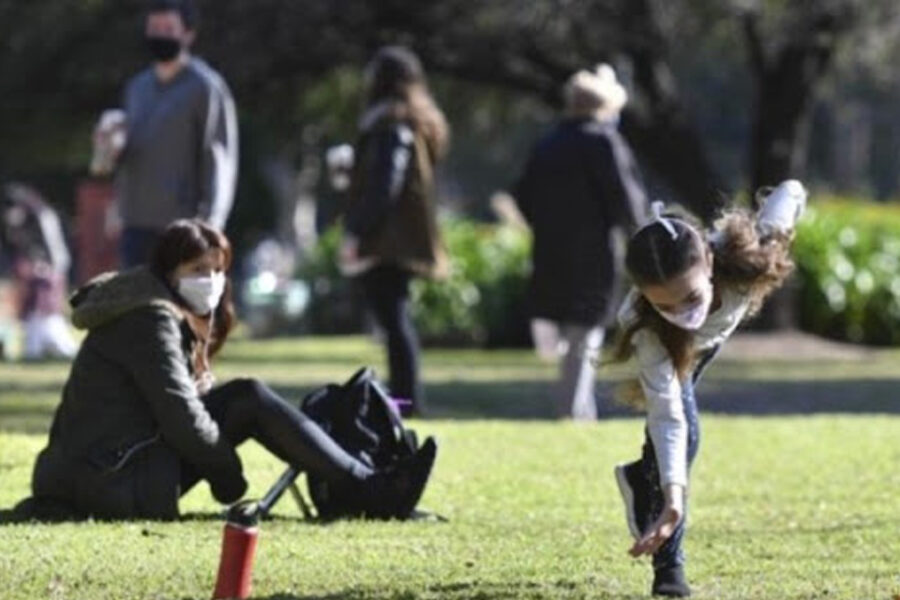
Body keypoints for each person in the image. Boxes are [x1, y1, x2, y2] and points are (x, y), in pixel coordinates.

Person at [21, 220, 436, 521]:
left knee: (245, 399)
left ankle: (365, 485)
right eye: (197, 270)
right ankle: (372, 488)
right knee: (248, 399)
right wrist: (228, 476)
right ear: (169, 273)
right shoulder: (149, 319)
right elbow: (181, 416)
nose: (212, 281)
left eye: (218, 270)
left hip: (99, 471)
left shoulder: (149, 307)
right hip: (109, 482)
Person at [610, 180, 807, 596]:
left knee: (675, 453)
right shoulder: (648, 327)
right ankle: (669, 573)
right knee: (686, 438)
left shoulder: (745, 252)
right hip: (675, 355)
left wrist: (790, 213)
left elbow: (790, 189)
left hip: (707, 347)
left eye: (690, 297)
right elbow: (667, 417)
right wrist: (673, 500)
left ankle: (640, 480)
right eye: (666, 305)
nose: (684, 314)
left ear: (711, 265)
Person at [513, 64, 647, 419]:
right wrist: (644, 240)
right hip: (594, 255)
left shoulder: (547, 143)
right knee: (583, 337)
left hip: (549, 252)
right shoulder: (603, 141)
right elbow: (626, 202)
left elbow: (523, 196)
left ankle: (578, 411)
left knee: (567, 335)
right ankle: (572, 412)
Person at [339, 46, 449, 417]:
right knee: (395, 319)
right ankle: (405, 396)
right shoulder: (414, 123)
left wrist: (356, 231)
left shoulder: (390, 127)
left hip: (387, 241)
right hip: (401, 239)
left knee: (394, 319)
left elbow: (384, 186)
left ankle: (407, 399)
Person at [100, 0, 238, 268]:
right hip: (135, 226)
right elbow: (123, 155)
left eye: (168, 27)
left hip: (183, 230)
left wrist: (211, 226)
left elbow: (220, 159)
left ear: (188, 34)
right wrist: (110, 146)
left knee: (177, 309)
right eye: (154, 27)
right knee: (137, 308)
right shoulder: (137, 88)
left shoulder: (206, 88)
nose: (160, 34)